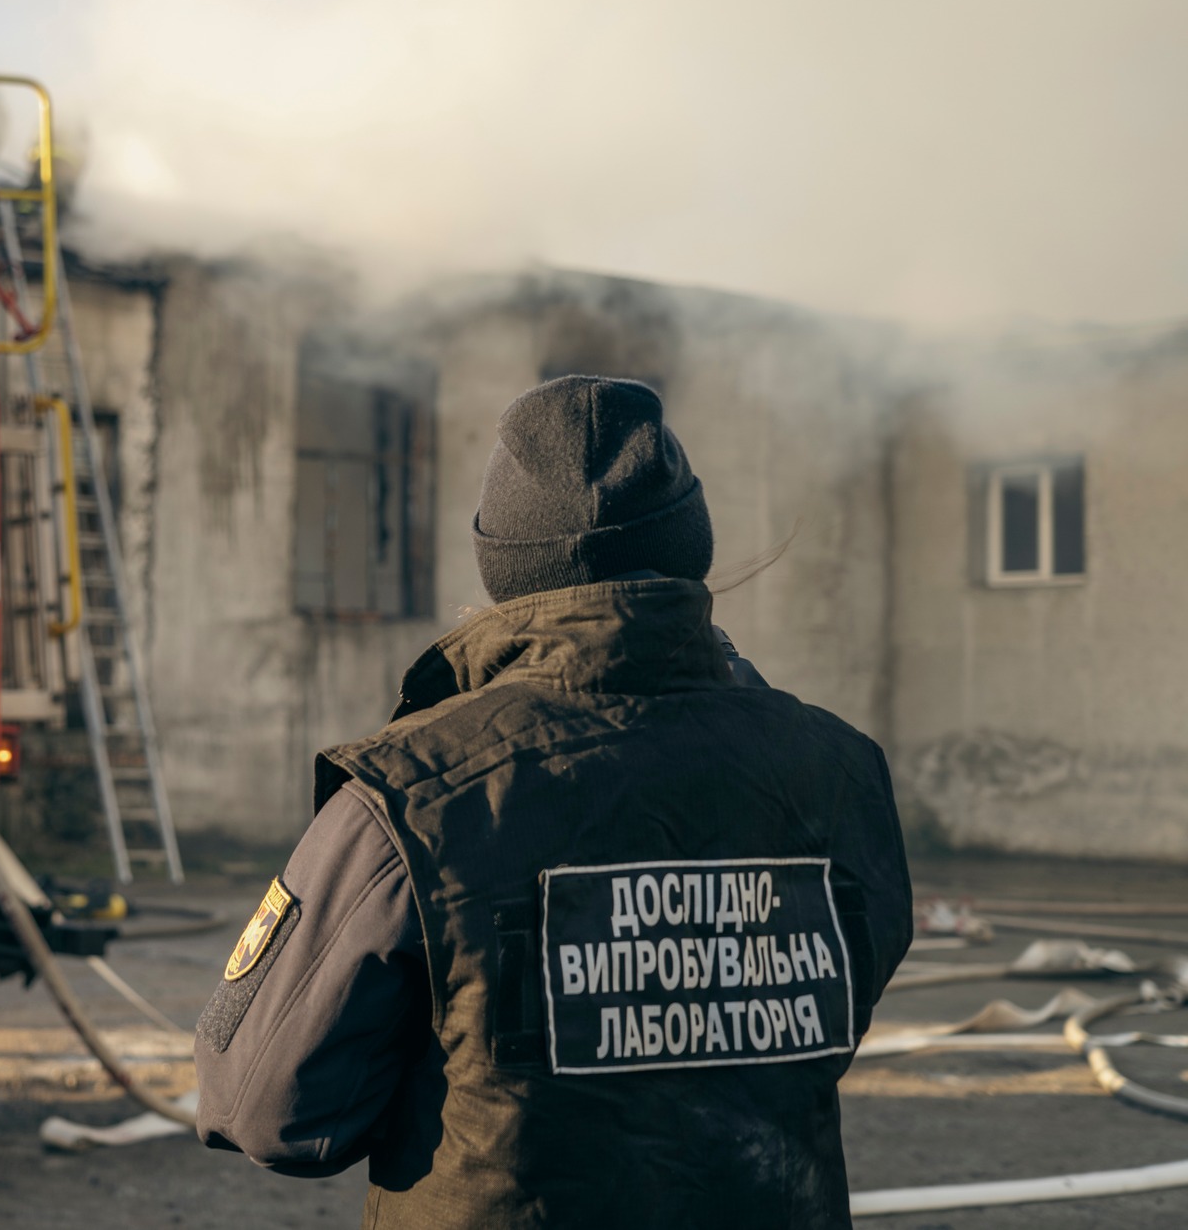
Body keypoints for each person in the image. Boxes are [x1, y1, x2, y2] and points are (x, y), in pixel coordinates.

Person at [194, 375, 912, 1229]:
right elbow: (822, 1026)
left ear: (505, 564)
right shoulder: (840, 769)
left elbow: (265, 1108)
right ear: (689, 543)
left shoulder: (413, 789)